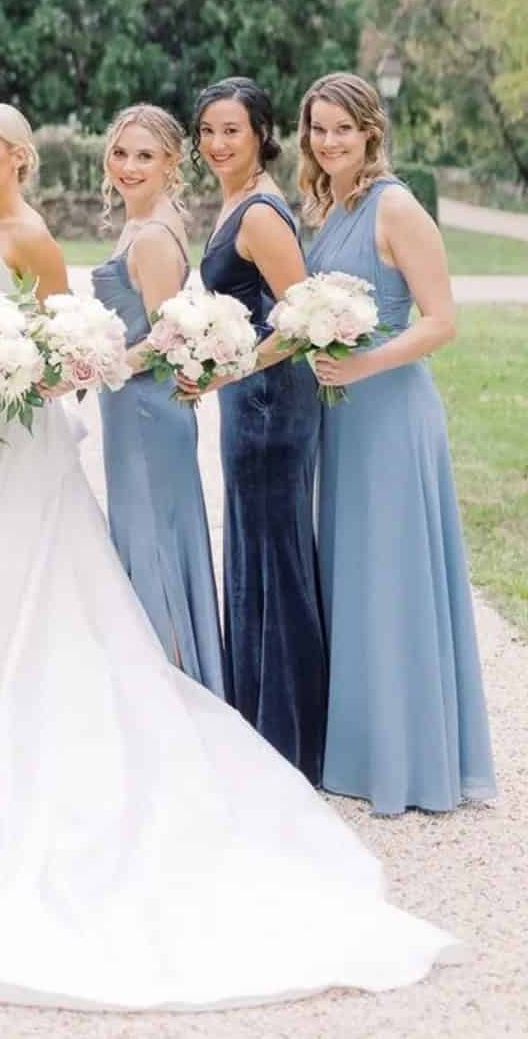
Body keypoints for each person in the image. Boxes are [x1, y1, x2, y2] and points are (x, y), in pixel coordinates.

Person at [0, 103, 461, 1012]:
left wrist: (19, 362)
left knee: (31, 567)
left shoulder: (35, 235)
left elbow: (53, 336)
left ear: (20, 157)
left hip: (13, 419)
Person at [300, 71, 496, 815]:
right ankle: (361, 747)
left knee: (394, 577)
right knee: (354, 574)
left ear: (370, 131)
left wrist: (365, 362)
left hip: (391, 412)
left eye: (342, 129)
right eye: (318, 129)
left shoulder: (396, 205)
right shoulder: (333, 206)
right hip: (342, 414)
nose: (328, 141)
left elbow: (442, 320)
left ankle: (411, 761)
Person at [187, 76, 327, 783]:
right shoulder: (235, 199)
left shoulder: (262, 213)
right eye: (208, 131)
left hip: (271, 401)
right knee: (254, 552)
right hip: (249, 397)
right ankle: (261, 722)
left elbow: (302, 320)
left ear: (261, 132)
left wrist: (224, 369)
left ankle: (290, 736)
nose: (216, 144)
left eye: (231, 131)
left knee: (275, 557)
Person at [90, 104, 223, 692]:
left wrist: (95, 363)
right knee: (145, 537)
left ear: (172, 162)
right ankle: (157, 687)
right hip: (130, 406)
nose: (129, 166)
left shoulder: (152, 236)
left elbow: (167, 337)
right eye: (120, 153)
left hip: (147, 410)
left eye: (145, 155)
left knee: (155, 546)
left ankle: (174, 693)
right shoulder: (142, 220)